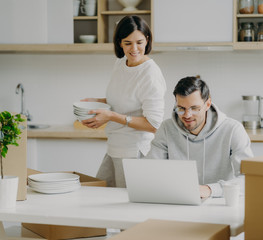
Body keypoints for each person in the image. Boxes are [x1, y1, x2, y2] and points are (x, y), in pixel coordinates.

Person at [81, 15, 166, 188]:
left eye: (139, 42)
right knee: (97, 197)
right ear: (120, 43)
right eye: (128, 43)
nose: (134, 49)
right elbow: (123, 100)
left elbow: (153, 124)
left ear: (147, 40)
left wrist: (110, 116)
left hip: (134, 152)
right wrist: (97, 102)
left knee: (126, 209)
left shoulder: (150, 74)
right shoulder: (120, 64)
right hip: (114, 147)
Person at [146, 76, 253, 198]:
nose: (187, 115)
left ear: (207, 104)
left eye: (194, 108)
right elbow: (151, 172)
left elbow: (249, 179)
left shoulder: (233, 129)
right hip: (177, 200)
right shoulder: (166, 129)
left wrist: (210, 190)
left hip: (218, 203)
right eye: (181, 108)